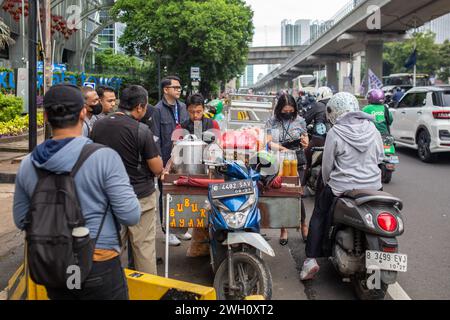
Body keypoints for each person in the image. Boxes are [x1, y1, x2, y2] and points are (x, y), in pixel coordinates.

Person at [13, 83, 141, 299]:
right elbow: (131, 215)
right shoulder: (104, 157)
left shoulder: (29, 163)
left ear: (45, 117)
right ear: (83, 112)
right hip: (98, 262)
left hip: (53, 263)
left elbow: (20, 219)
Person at [300, 92, 384, 281]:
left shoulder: (336, 132)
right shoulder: (372, 128)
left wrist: (326, 182)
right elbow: (380, 157)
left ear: (335, 112)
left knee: (319, 214)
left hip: (343, 188)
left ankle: (311, 260)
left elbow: (327, 166)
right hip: (373, 187)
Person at [91, 85, 163, 275]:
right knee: (144, 250)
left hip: (108, 197)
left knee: (109, 249)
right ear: (139, 107)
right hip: (139, 197)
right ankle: (147, 293)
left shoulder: (99, 125)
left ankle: (106, 288)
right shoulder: (142, 130)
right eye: (145, 106)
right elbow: (157, 168)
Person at [152, 76, 191, 246]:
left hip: (184, 158)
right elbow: (155, 139)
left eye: (180, 87)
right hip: (166, 159)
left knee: (182, 194)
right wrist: (160, 165)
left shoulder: (183, 107)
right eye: (175, 87)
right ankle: (167, 231)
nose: (179, 90)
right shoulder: (157, 110)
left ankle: (180, 228)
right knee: (166, 194)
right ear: (165, 90)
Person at [265, 93, 309, 245]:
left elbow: (306, 139)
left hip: (298, 161)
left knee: (298, 193)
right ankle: (283, 229)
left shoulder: (300, 121)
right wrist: (282, 148)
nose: (288, 113)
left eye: (291, 111)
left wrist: (304, 142)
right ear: (279, 109)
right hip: (280, 160)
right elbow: (269, 143)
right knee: (282, 194)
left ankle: (303, 225)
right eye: (285, 111)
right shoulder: (272, 121)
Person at [302, 86, 333, 187]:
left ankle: (301, 186)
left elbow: (305, 120)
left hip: (319, 139)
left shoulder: (317, 105)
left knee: (305, 159)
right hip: (335, 138)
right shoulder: (336, 104)